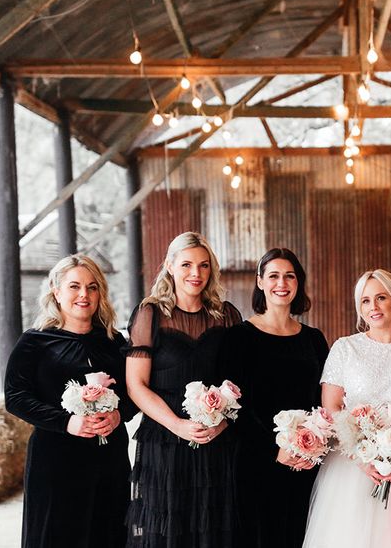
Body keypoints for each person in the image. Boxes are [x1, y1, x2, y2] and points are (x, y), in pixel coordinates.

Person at [302, 269, 391, 548]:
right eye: (366, 301)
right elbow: (332, 408)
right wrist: (363, 457)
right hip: (352, 468)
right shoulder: (344, 348)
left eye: (381, 297)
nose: (374, 307)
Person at [4, 254, 135, 548]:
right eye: (74, 286)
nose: (84, 295)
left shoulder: (115, 343)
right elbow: (15, 397)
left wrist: (119, 415)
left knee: (109, 531)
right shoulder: (34, 342)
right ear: (56, 289)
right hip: (55, 460)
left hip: (108, 458)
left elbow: (134, 391)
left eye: (92, 287)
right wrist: (66, 422)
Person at [124, 232, 242, 547]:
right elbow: (136, 385)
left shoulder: (226, 315)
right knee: (167, 530)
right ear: (170, 266)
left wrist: (222, 422)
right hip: (164, 440)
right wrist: (177, 425)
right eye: (187, 264)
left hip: (215, 439)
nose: (195, 273)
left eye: (204, 266)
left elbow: (237, 381)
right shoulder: (150, 313)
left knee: (211, 527)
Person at [224, 247, 329, 548]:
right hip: (257, 461)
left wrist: (313, 445)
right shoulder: (238, 338)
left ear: (298, 283)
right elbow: (235, 407)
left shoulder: (314, 339)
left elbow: (324, 399)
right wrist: (275, 449)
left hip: (306, 461)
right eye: (273, 276)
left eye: (289, 276)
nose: (281, 283)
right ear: (260, 281)